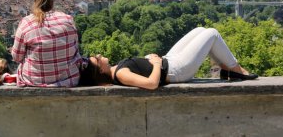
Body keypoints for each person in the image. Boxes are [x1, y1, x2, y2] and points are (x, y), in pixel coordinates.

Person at [79, 27, 258, 90]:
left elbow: (140, 68)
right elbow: (151, 84)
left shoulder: (117, 70)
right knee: (212, 34)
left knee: (200, 30)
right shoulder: (121, 74)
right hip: (177, 70)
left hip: (170, 61)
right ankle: (235, 69)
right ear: (100, 71)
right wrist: (156, 64)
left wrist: (149, 58)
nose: (99, 55)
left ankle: (226, 68)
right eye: (97, 59)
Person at [11, 0, 81, 87]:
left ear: (35, 3)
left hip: (34, 80)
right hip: (68, 78)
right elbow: (75, 48)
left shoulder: (26, 23)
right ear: (52, 3)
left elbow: (16, 57)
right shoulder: (68, 19)